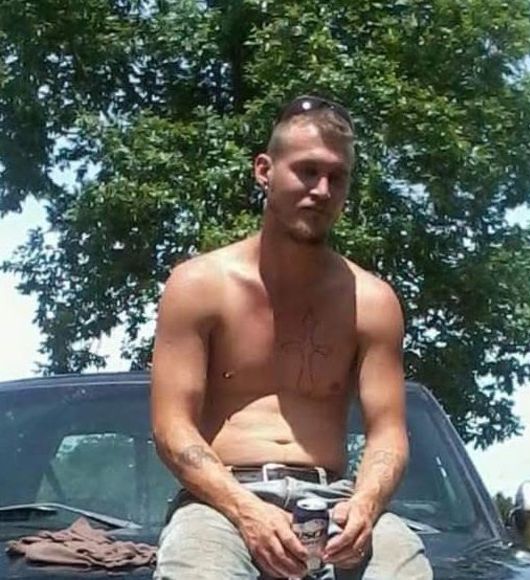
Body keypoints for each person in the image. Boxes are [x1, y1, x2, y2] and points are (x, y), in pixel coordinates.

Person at [151, 95, 432, 579]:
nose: (322, 190)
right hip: (220, 504)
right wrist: (245, 510)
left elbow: (388, 432)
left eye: (337, 177)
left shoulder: (372, 301)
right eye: (307, 171)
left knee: (403, 565)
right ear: (265, 170)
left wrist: (365, 505)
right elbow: (172, 427)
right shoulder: (199, 285)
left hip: (338, 502)